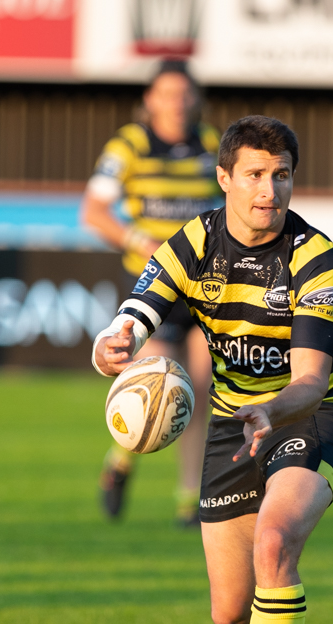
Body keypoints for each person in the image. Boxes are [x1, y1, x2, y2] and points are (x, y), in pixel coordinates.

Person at [91, 116, 333, 624]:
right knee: (229, 612)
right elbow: (140, 308)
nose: (269, 189)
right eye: (255, 175)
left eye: (281, 175)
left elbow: (311, 380)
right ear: (224, 178)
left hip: (310, 415)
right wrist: (114, 342)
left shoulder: (316, 258)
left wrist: (270, 409)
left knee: (275, 540)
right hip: (234, 422)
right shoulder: (194, 241)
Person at [82, 60, 222, 526]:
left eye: (184, 94)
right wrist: (135, 240)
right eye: (166, 94)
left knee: (196, 391)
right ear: (150, 100)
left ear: (196, 99)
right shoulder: (129, 145)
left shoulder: (211, 143)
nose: (176, 103)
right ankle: (121, 460)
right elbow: (93, 211)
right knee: (152, 383)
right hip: (153, 286)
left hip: (201, 284)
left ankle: (189, 500)